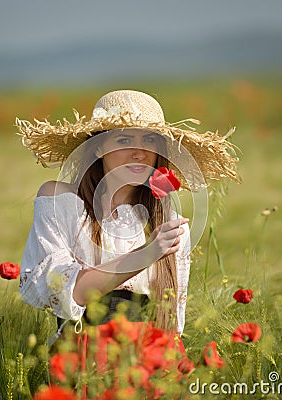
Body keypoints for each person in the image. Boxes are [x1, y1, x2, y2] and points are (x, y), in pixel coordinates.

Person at [16, 89, 239, 353]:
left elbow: (171, 324)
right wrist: (147, 254)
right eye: (124, 139)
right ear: (98, 147)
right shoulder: (62, 202)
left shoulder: (169, 224)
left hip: (148, 360)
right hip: (81, 355)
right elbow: (65, 293)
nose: (139, 152)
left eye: (149, 140)